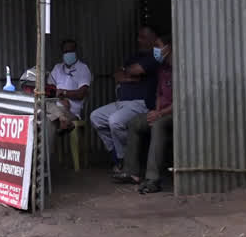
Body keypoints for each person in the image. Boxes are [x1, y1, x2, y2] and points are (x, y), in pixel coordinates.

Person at [89, 26, 160, 172]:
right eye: (139, 37)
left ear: (153, 39)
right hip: (121, 102)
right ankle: (120, 154)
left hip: (140, 103)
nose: (139, 40)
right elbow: (118, 75)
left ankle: (125, 159)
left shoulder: (155, 57)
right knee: (96, 117)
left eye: (143, 37)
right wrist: (131, 75)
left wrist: (129, 73)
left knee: (115, 121)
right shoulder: (134, 57)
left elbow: (135, 70)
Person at [113, 35, 173, 193]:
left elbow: (181, 101)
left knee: (158, 125)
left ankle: (153, 179)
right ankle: (131, 171)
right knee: (135, 123)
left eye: (158, 46)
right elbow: (159, 94)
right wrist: (157, 111)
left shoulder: (179, 69)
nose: (156, 50)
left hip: (176, 113)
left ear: (169, 48)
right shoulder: (163, 69)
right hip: (163, 112)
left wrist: (160, 114)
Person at [46, 39, 91, 150]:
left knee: (47, 117)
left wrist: (64, 93)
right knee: (42, 107)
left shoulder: (83, 69)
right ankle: (63, 121)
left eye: (71, 51)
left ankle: (63, 121)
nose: (68, 54)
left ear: (76, 52)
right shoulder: (57, 68)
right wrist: (59, 98)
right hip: (56, 106)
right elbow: (48, 90)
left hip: (72, 112)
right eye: (66, 52)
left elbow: (81, 93)